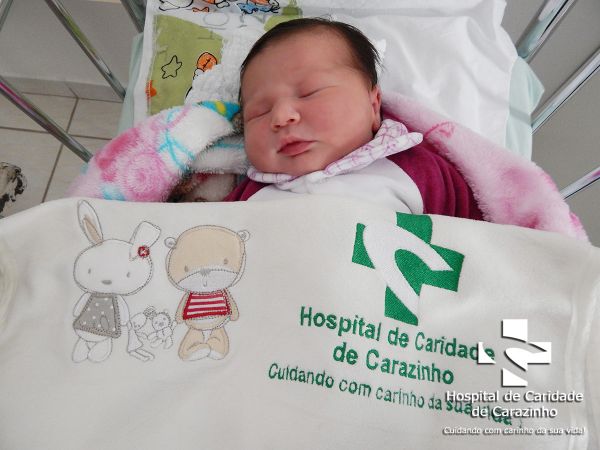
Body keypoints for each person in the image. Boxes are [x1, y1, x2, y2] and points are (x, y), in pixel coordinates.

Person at [225, 18, 482, 220]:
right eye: (260, 111)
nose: (281, 117)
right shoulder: (246, 198)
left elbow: (474, 242)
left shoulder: (415, 170)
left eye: (310, 92)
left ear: (373, 106)